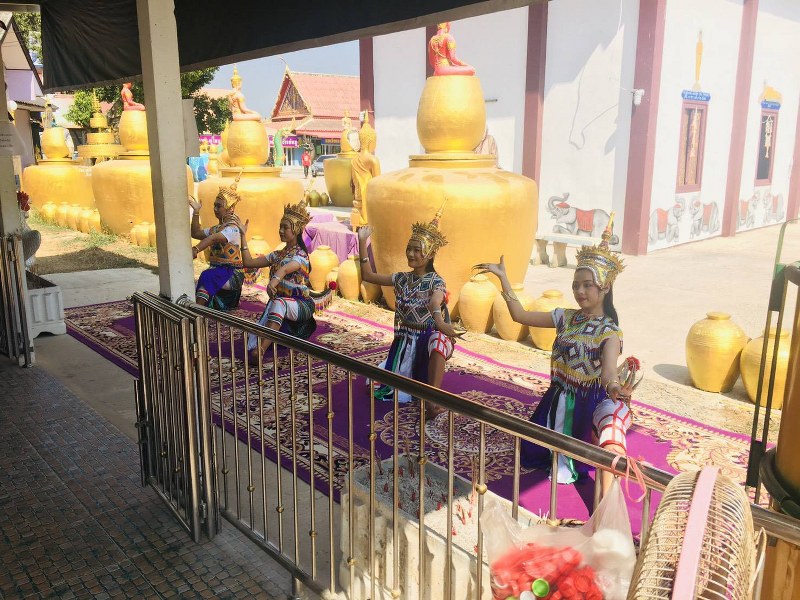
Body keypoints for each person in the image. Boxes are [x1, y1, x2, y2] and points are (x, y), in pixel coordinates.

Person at [474, 216, 631, 492]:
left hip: (582, 409)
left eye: (587, 285)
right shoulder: (565, 317)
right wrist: (504, 279)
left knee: (573, 461)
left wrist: (615, 387)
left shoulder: (609, 332)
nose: (579, 291)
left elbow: (608, 373)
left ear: (605, 286)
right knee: (530, 451)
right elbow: (520, 315)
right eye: (576, 284)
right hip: (554, 399)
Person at [357, 205, 465, 416]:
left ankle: (432, 401)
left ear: (430, 253)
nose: (410, 253)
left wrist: (440, 323)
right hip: (404, 345)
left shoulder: (436, 281)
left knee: (439, 340)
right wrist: (362, 242)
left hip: (426, 342)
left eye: (417, 250)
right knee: (376, 385)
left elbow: (435, 301)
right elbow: (368, 276)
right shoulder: (402, 278)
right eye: (409, 248)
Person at [239, 196, 334, 363]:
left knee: (278, 304)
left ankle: (261, 351)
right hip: (282, 303)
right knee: (255, 333)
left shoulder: (301, 255)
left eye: (285, 227)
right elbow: (248, 263)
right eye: (280, 227)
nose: (281, 231)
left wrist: (273, 282)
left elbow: (286, 269)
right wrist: (242, 236)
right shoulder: (278, 254)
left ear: (296, 230)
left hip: (301, 304)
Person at [189, 175, 245, 309]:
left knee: (207, 276)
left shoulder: (233, 229)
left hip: (232, 274)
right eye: (214, 205)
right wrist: (196, 212)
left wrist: (196, 249)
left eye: (219, 206)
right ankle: (199, 309)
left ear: (230, 208)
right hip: (218, 272)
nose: (215, 209)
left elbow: (213, 238)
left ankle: (197, 311)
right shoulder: (217, 228)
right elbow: (195, 233)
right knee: (207, 277)